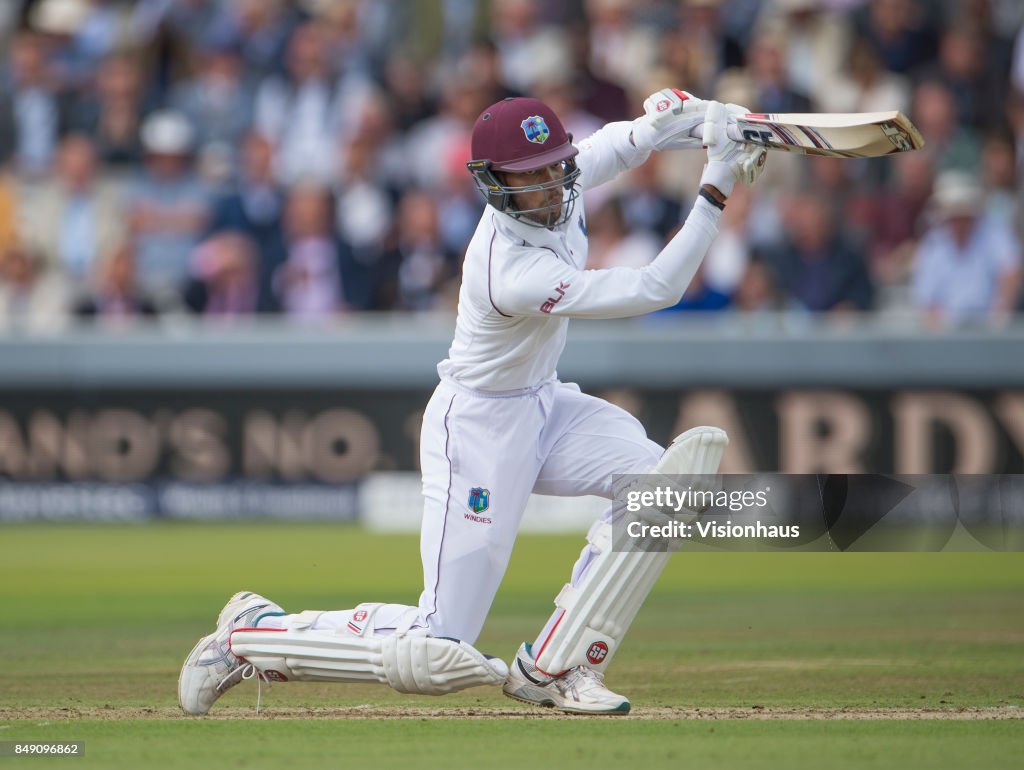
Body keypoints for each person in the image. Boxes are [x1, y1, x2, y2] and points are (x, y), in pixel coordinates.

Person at [178, 90, 766, 716]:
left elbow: (625, 141)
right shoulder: (508, 267)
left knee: (661, 488)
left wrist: (696, 115)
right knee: (437, 647)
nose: (549, 186)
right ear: (494, 185)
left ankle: (554, 667)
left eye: (554, 167)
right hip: (478, 429)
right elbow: (655, 287)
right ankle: (250, 635)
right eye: (528, 176)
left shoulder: (558, 183)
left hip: (545, 403)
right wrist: (717, 183)